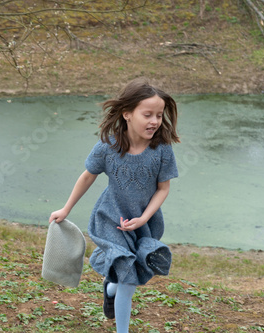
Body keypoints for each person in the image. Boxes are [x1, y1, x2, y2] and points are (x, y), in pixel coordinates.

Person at [49, 78, 180, 333]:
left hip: (145, 223)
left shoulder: (162, 149)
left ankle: (110, 288)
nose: (154, 121)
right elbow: (87, 176)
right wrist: (66, 209)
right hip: (111, 219)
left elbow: (164, 189)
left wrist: (143, 219)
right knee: (128, 279)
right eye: (147, 114)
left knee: (127, 276)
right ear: (127, 113)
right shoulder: (108, 147)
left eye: (159, 115)